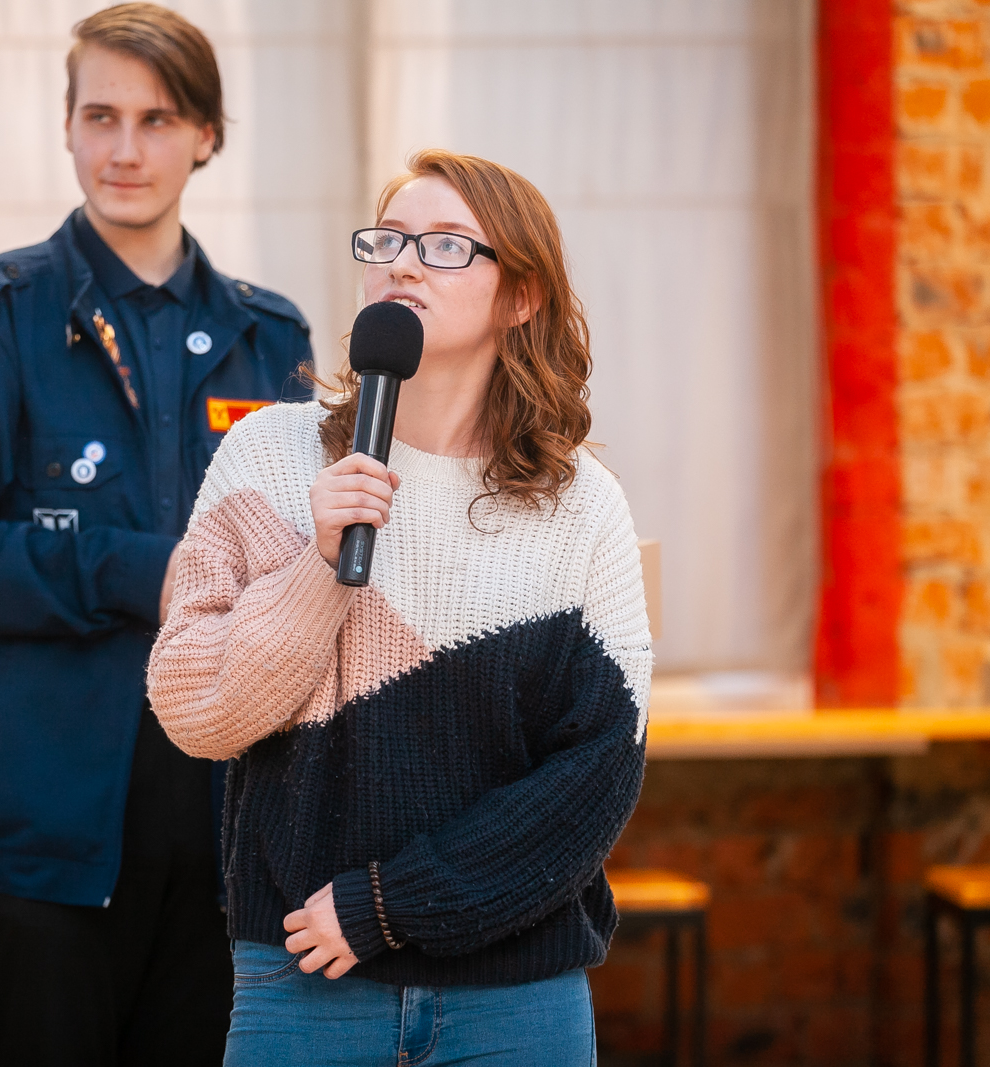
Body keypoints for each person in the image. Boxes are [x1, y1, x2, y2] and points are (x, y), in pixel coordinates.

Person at [0, 5, 313, 1064]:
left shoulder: (271, 338)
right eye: (100, 116)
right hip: (42, 835)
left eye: (157, 120)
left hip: (227, 839)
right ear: (65, 125)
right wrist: (128, 570)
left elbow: (310, 563)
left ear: (206, 135)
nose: (124, 150)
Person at [148, 150, 652, 1065]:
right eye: (388, 241)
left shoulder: (582, 506)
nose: (405, 264)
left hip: (516, 1001)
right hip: (304, 988)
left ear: (521, 296)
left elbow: (597, 775)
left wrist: (388, 905)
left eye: (447, 244)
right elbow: (195, 713)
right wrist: (317, 569)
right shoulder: (269, 455)